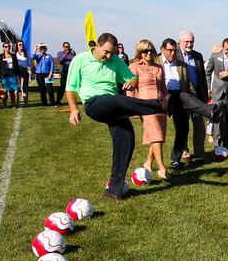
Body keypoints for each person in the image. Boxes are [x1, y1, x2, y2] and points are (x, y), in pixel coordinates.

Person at [65, 33, 167, 200]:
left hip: (115, 106)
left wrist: (131, 83)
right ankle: (159, 106)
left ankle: (114, 189)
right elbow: (70, 87)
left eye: (112, 52)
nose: (109, 56)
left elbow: (132, 78)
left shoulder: (115, 60)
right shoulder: (80, 60)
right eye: (106, 52)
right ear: (97, 45)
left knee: (126, 137)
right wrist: (73, 109)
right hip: (95, 104)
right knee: (118, 99)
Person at [127, 40, 169, 179]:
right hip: (144, 106)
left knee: (159, 138)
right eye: (145, 51)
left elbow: (163, 87)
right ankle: (162, 168)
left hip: (160, 105)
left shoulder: (159, 67)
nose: (149, 53)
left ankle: (148, 162)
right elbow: (130, 89)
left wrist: (167, 105)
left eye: (151, 50)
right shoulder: (134, 67)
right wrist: (131, 107)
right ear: (139, 52)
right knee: (156, 136)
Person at [176, 30, 210, 164]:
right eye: (186, 42)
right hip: (181, 95)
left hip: (196, 94)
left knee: (199, 125)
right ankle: (184, 152)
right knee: (183, 125)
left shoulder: (198, 56)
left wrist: (205, 94)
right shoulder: (175, 55)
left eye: (191, 41)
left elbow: (202, 76)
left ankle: (200, 152)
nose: (189, 44)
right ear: (180, 42)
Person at [0, 43, 21, 108]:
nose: (7, 48)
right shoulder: (0, 56)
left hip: (12, 74)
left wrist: (19, 75)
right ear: (3, 48)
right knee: (4, 91)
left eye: (9, 46)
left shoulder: (13, 56)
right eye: (6, 46)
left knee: (12, 91)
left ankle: (13, 105)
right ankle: (4, 105)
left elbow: (16, 66)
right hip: (4, 75)